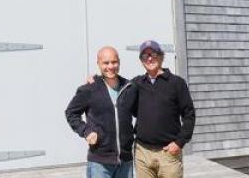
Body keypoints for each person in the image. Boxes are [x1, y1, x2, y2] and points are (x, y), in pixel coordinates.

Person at [65, 46, 138, 178]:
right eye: (106, 63)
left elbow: (141, 113)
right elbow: (71, 113)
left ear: (119, 62)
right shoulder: (89, 89)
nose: (110, 66)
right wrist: (85, 131)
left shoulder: (130, 88)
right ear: (98, 63)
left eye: (114, 62)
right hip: (100, 162)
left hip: (126, 161)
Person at [133, 40, 195, 178]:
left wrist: (179, 143)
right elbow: (115, 83)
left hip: (168, 153)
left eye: (153, 54)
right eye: (145, 56)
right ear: (141, 61)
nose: (149, 58)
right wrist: (96, 79)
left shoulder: (176, 83)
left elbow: (189, 115)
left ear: (161, 56)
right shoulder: (137, 83)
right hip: (143, 153)